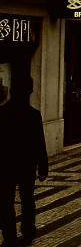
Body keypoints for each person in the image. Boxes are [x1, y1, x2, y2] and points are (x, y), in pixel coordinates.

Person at [0, 77, 48, 247]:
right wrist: (43, 167)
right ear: (29, 91)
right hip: (26, 165)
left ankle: (9, 236)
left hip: (6, 165)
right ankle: (28, 230)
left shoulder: (2, 113)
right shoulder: (33, 115)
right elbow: (39, 143)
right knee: (27, 199)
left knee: (6, 202)